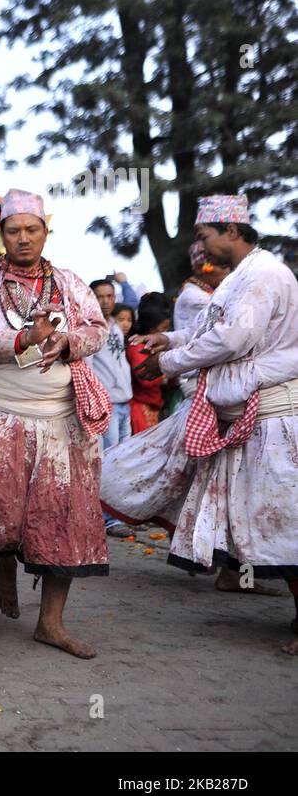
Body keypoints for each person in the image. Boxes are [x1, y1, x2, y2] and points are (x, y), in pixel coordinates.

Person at [127, 195, 298, 654]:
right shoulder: (236, 280)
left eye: (204, 236)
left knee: (283, 523)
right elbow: (209, 328)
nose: (199, 247)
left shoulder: (263, 276)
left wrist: (168, 362)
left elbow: (232, 338)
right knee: (267, 522)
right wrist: (168, 338)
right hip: (248, 413)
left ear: (231, 232)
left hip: (274, 417)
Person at [0, 188, 112, 660]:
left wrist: (66, 341)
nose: (23, 238)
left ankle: (51, 624)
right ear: (0, 233)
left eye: (32, 229)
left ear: (46, 232)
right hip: (3, 416)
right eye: (13, 230)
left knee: (65, 518)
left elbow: (98, 329)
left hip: (63, 421)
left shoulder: (69, 281)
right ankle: (3, 569)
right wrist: (24, 335)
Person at [174, 242, 230, 399]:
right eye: (224, 266)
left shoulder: (205, 294)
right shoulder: (196, 298)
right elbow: (218, 324)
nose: (229, 271)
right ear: (204, 268)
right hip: (196, 379)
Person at [89, 279, 133, 449]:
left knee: (125, 452)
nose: (105, 301)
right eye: (99, 297)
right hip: (107, 404)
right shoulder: (90, 329)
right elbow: (88, 368)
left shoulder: (115, 326)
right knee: (109, 454)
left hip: (125, 400)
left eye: (109, 296)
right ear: (90, 298)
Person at [126, 292, 172, 433]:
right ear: (152, 327)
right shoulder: (137, 345)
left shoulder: (150, 344)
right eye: (162, 329)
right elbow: (145, 379)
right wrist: (166, 373)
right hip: (141, 408)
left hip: (153, 405)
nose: (166, 333)